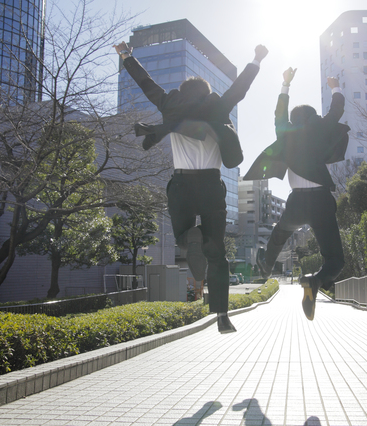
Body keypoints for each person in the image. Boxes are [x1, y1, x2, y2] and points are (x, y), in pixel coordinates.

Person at [114, 41, 268, 333]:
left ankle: (191, 238)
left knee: (184, 239)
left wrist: (126, 56)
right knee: (218, 253)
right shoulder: (218, 107)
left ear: (184, 93)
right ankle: (222, 316)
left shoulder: (171, 103)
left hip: (182, 183)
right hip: (211, 184)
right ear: (207, 94)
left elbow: (147, 83)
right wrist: (257, 60)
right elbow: (240, 88)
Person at [244, 67, 350, 321]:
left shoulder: (286, 133)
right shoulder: (320, 128)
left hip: (297, 202)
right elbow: (337, 111)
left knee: (279, 234)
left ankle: (265, 266)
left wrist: (285, 85)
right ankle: (315, 282)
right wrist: (335, 86)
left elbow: (278, 115)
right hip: (321, 201)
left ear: (293, 119)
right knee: (335, 260)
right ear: (312, 117)